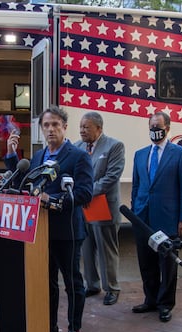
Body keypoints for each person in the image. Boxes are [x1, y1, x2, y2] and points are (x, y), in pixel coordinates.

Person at [5, 105, 93, 332]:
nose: (51, 129)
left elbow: (86, 193)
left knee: (72, 282)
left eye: (56, 124)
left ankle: (74, 329)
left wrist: (52, 200)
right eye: (46, 125)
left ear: (65, 127)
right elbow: (23, 182)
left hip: (68, 232)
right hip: (40, 231)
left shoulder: (78, 156)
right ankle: (50, 325)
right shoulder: (37, 156)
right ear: (41, 129)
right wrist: (12, 154)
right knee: (46, 282)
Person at [130, 111, 182, 322]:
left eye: (158, 126)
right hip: (143, 217)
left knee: (167, 263)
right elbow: (137, 186)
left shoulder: (180, 154)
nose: (154, 130)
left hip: (167, 218)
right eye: (151, 126)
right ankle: (150, 299)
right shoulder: (140, 154)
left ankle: (165, 304)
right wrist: (134, 212)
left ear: (167, 128)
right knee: (146, 262)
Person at [74, 112, 125, 305]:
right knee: (86, 248)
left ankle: (112, 287)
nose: (82, 130)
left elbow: (111, 178)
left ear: (99, 128)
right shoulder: (77, 147)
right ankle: (92, 284)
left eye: (86, 127)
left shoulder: (114, 146)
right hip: (84, 207)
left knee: (106, 250)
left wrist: (85, 191)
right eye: (80, 126)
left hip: (103, 206)